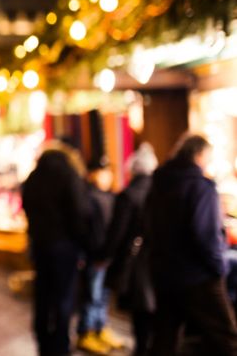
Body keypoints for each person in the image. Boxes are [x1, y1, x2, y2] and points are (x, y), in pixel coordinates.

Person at [146, 134, 237, 355]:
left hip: (165, 272)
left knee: (165, 338)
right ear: (199, 155)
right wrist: (218, 267)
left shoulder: (159, 183)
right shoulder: (199, 186)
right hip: (198, 275)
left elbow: (148, 224)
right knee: (226, 337)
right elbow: (205, 233)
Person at [21, 141, 95, 356]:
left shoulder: (34, 177)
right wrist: (82, 241)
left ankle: (43, 341)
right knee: (64, 297)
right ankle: (60, 344)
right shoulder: (69, 174)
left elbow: (26, 206)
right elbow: (79, 211)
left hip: (40, 244)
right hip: (64, 246)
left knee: (43, 295)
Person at [102, 142, 158, 356]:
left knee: (140, 315)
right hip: (160, 260)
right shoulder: (161, 191)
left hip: (136, 263)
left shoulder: (128, 195)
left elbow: (117, 233)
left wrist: (106, 257)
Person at [76, 155, 123, 355]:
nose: (107, 176)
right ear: (92, 174)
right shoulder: (86, 197)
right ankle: (86, 333)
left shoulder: (111, 196)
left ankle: (100, 328)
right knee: (92, 295)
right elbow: (87, 231)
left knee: (103, 295)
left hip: (107, 254)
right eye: (102, 172)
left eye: (108, 171)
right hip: (94, 256)